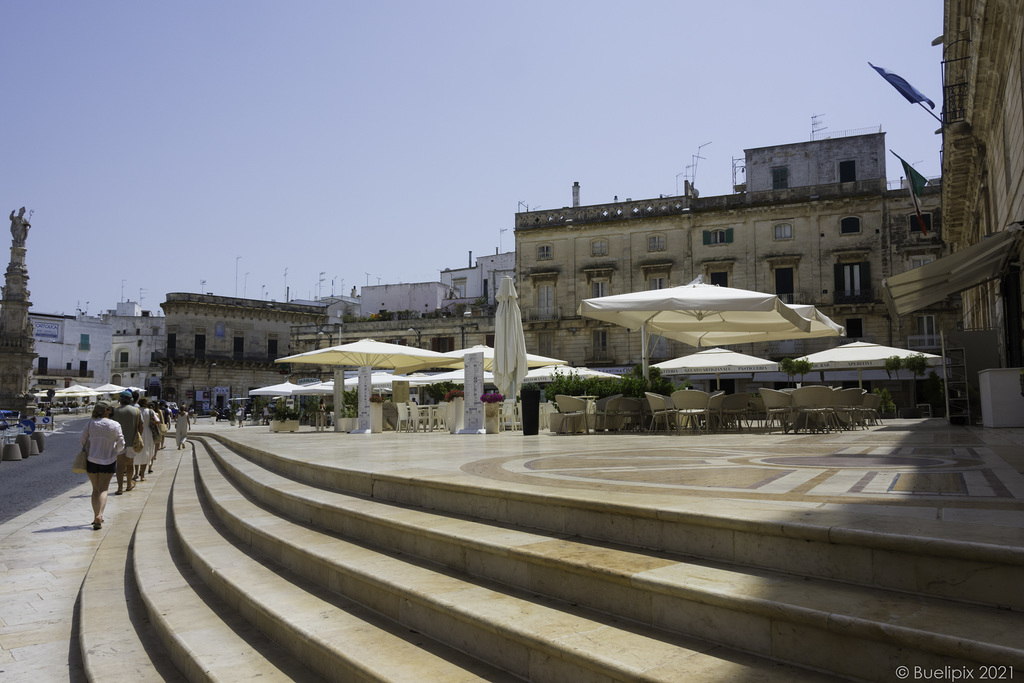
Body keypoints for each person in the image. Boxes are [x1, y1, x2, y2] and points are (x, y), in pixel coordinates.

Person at [80, 401, 125, 530]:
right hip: (109, 460)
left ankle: (95, 515)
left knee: (95, 489)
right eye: (110, 409)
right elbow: (121, 442)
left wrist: (91, 448)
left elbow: (82, 440)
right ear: (106, 411)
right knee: (104, 489)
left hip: (92, 459)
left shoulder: (91, 424)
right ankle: (100, 515)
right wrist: (115, 451)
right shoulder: (115, 425)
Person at [111, 390, 141, 494]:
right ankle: (129, 484)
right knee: (130, 464)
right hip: (132, 441)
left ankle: (120, 488)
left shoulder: (115, 411)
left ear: (120, 400)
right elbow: (140, 426)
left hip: (118, 441)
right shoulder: (136, 411)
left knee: (120, 465)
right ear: (131, 400)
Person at [134, 397, 157, 482]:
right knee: (146, 452)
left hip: (137, 432)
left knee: (136, 452)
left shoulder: (135, 410)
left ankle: (136, 473)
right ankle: (142, 475)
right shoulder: (150, 411)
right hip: (147, 432)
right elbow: (157, 421)